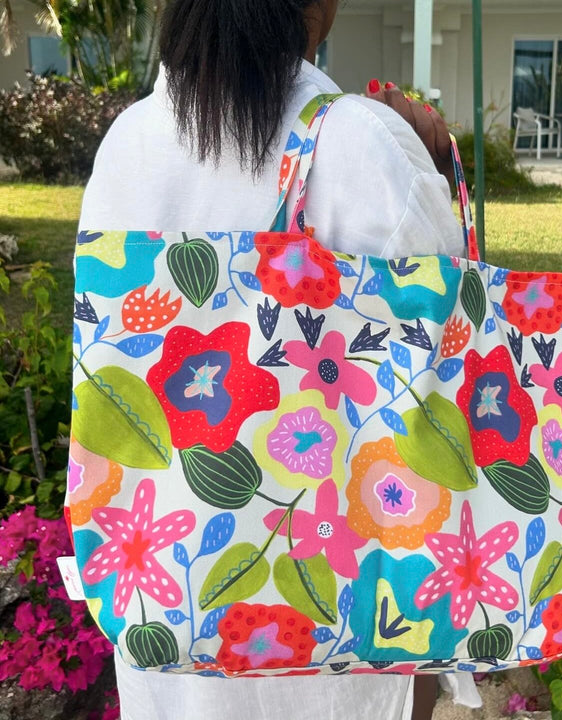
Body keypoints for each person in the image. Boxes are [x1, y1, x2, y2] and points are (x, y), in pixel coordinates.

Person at [79, 1, 481, 718]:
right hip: (339, 653)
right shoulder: (360, 139)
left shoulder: (126, 142)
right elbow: (450, 362)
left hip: (167, 622)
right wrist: (424, 160)